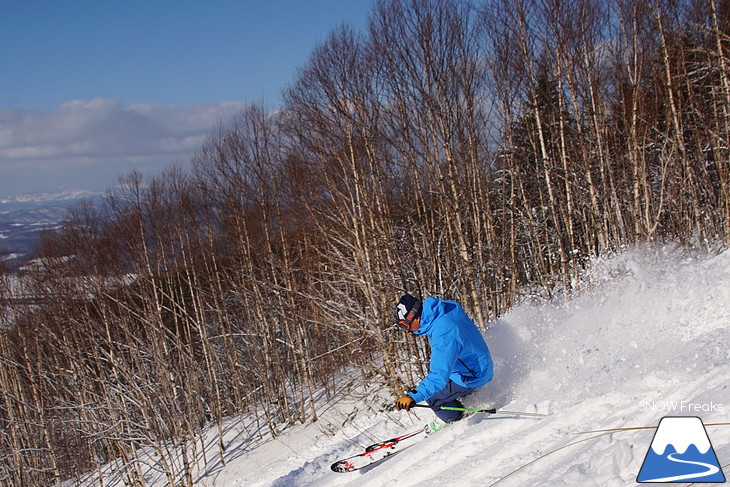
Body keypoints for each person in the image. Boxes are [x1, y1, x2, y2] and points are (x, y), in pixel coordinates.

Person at [394, 293, 493, 424]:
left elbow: (439, 376)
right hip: (476, 364)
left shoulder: (443, 334)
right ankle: (463, 402)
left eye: (405, 326)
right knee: (440, 386)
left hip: (472, 376)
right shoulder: (444, 310)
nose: (407, 331)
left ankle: (457, 419)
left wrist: (412, 396)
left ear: (414, 317)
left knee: (434, 398)